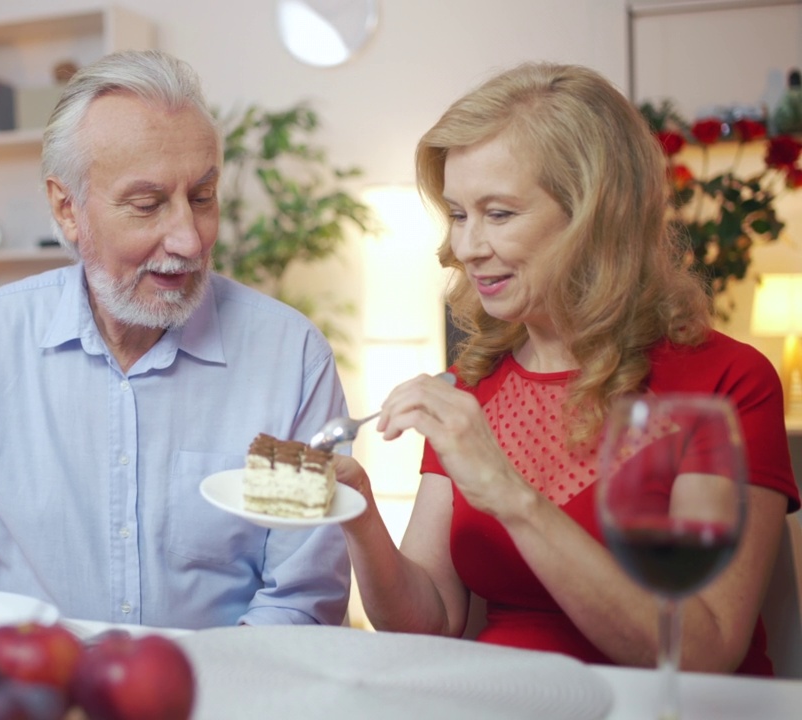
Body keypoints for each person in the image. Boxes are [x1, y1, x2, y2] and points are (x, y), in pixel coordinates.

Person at [0, 49, 351, 629]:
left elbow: (301, 597)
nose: (190, 240)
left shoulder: (290, 356)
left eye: (202, 197)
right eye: (146, 205)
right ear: (67, 209)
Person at [337, 62, 799, 674]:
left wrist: (510, 495)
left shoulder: (727, 383)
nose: (466, 248)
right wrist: (360, 511)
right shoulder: (474, 382)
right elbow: (432, 622)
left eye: (498, 214)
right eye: (458, 213)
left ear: (594, 217)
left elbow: (703, 650)